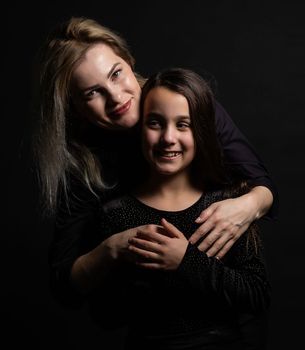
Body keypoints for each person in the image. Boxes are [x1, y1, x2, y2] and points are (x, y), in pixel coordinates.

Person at [31, 17, 278, 308]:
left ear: (129, 60)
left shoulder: (186, 101)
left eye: (116, 74)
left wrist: (247, 205)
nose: (115, 97)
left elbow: (260, 183)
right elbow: (64, 282)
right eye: (92, 93)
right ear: (75, 107)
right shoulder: (84, 168)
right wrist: (113, 249)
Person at [86, 67, 270, 349]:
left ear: (201, 132)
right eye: (155, 123)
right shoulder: (115, 214)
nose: (168, 138)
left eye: (183, 125)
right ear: (140, 128)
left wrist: (186, 260)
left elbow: (257, 296)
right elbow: (105, 317)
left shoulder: (228, 207)